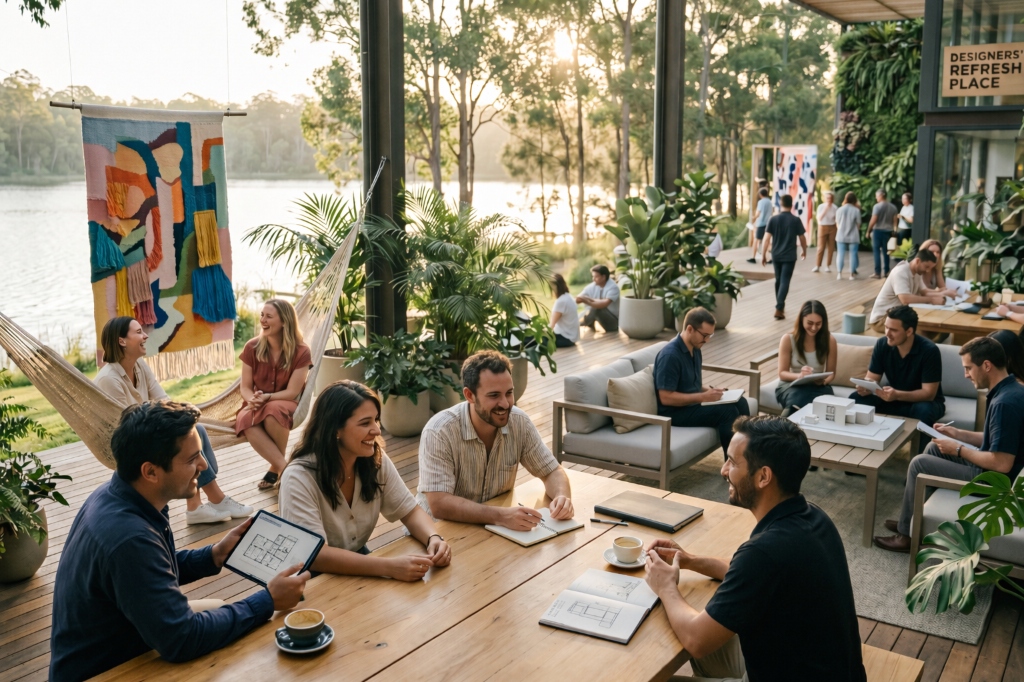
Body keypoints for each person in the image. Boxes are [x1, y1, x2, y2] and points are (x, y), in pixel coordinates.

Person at [50, 401, 309, 681]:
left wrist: (214, 554)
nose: (204, 465)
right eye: (192, 459)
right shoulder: (129, 539)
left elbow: (150, 570)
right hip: (105, 670)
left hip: (128, 634)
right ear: (150, 472)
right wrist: (268, 600)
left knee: (223, 611)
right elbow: (182, 638)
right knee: (252, 652)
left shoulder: (116, 494)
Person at [645, 415, 866, 681]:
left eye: (732, 462)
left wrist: (665, 586)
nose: (723, 470)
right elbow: (749, 572)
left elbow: (696, 640)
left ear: (763, 477)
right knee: (699, 616)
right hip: (831, 671)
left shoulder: (764, 552)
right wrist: (689, 559)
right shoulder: (815, 517)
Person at [279, 381, 452, 580]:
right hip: (307, 577)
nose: (377, 430)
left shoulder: (374, 458)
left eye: (376, 420)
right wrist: (389, 567)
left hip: (360, 562)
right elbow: (316, 555)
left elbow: (410, 511)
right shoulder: (298, 478)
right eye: (365, 423)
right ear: (335, 429)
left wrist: (433, 538)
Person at [94, 316, 252, 525]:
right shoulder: (109, 379)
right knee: (191, 434)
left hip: (146, 430)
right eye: (139, 332)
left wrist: (180, 417)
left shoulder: (139, 366)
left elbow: (163, 400)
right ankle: (214, 500)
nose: (145, 335)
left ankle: (198, 507)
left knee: (195, 429)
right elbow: (124, 425)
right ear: (122, 341)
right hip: (130, 443)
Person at [874, 337, 1024, 552]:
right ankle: (914, 520)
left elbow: (1001, 463)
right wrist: (958, 434)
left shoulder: (1004, 403)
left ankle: (907, 536)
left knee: (919, 464)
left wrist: (958, 449)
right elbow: (997, 439)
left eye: (968, 368)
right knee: (933, 448)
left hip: (996, 482)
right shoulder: (1010, 390)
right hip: (993, 471)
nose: (965, 375)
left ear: (986, 365)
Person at [418, 350, 574, 530]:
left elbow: (552, 471)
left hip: (493, 528)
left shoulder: (519, 422)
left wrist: (562, 498)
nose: (505, 403)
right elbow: (439, 504)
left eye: (509, 393)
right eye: (494, 395)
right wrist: (501, 516)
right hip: (435, 532)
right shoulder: (439, 431)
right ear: (469, 395)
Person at [235, 299, 312, 490]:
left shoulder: (301, 351)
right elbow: (245, 387)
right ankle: (284, 469)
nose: (263, 320)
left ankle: (275, 467)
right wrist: (252, 400)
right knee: (245, 418)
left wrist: (267, 397)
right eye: (262, 315)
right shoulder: (252, 347)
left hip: (286, 402)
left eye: (269, 316)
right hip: (257, 402)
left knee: (273, 410)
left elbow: (292, 392)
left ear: (284, 321)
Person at [654, 307, 751, 456]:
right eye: (705, 335)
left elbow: (692, 384)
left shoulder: (695, 348)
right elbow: (666, 398)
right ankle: (732, 463)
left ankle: (747, 456)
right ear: (690, 329)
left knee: (741, 402)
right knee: (727, 412)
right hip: (674, 413)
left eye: (710, 335)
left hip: (691, 405)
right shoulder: (670, 356)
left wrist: (713, 392)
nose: (707, 340)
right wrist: (703, 397)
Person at [854, 305, 945, 451]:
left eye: (893, 330)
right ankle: (860, 449)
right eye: (886, 327)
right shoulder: (882, 344)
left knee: (924, 410)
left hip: (923, 402)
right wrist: (865, 387)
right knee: (856, 399)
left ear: (909, 331)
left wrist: (896, 395)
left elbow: (929, 394)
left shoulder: (929, 350)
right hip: (892, 400)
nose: (887, 333)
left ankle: (921, 458)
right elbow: (872, 378)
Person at [775, 300, 837, 418]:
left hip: (818, 386)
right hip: (791, 385)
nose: (814, 328)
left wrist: (823, 381)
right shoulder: (788, 339)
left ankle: (784, 423)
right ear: (801, 320)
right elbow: (782, 373)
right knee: (798, 397)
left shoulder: (830, 340)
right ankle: (783, 425)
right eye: (810, 323)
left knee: (824, 400)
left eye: (818, 324)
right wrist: (800, 376)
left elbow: (831, 373)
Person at [867, 248, 943, 334]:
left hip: (899, 315)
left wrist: (942, 294)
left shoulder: (917, 273)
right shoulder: (900, 272)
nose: (928, 270)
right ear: (917, 261)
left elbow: (924, 291)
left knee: (937, 330)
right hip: (883, 319)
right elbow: (905, 299)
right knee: (922, 333)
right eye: (926, 267)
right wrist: (931, 299)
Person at [760, 194, 807, 320]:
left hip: (776, 255)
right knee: (785, 280)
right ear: (792, 205)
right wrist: (804, 250)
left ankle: (780, 307)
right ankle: (779, 307)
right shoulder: (795, 220)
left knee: (778, 280)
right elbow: (802, 238)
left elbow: (766, 239)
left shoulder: (773, 219)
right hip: (789, 256)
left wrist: (763, 255)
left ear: (780, 204)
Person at [576, 264, 620, 333]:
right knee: (593, 307)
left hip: (613, 323)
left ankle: (584, 322)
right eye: (593, 276)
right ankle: (585, 322)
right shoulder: (594, 285)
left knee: (597, 308)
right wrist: (582, 298)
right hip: (601, 320)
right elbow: (578, 299)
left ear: (603, 277)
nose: (593, 279)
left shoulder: (613, 287)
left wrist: (586, 300)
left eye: (596, 277)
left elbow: (604, 304)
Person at [866, 189, 899, 279]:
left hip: (878, 231)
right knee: (886, 252)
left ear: (881, 196)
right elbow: (895, 221)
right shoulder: (893, 207)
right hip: (888, 231)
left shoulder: (877, 206)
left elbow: (873, 220)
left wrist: (868, 231)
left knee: (876, 251)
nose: (876, 198)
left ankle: (877, 273)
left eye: (877, 196)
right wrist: (895, 231)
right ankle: (886, 271)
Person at [835, 191, 862, 281]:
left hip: (841, 235)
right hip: (853, 236)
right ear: (855, 200)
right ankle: (851, 275)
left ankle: (839, 273)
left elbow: (837, 224)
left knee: (840, 254)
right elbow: (858, 224)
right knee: (853, 254)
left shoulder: (839, 210)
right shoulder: (856, 210)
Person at [549, 274, 579, 348]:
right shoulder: (568, 296)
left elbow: (551, 325)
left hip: (565, 338)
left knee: (533, 339)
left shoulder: (560, 301)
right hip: (572, 338)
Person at [812, 191, 837, 273]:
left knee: (831, 248)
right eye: (827, 198)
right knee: (821, 247)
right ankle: (817, 265)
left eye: (830, 198)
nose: (829, 200)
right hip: (822, 227)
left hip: (832, 227)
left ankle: (828, 266)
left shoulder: (835, 207)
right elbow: (819, 218)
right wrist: (826, 208)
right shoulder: (821, 206)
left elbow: (836, 219)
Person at [747, 187, 773, 264]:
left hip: (761, 224)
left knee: (756, 240)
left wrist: (754, 217)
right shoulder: (770, 202)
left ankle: (753, 257)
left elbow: (758, 213)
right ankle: (769, 258)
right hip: (768, 223)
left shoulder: (761, 202)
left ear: (760, 194)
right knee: (767, 241)